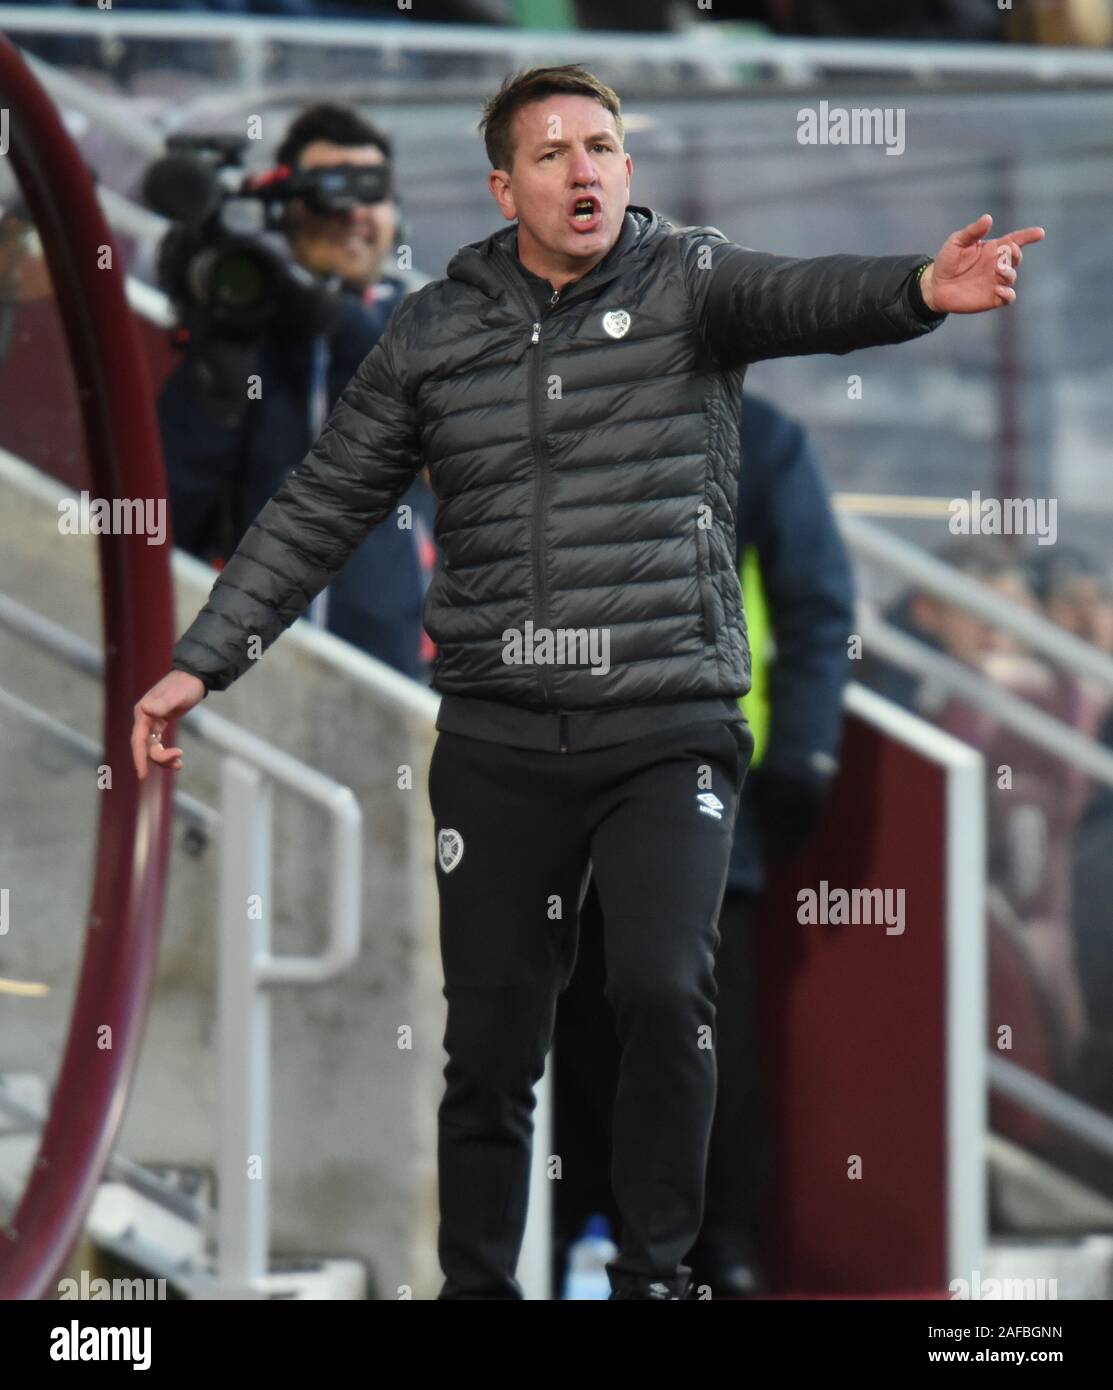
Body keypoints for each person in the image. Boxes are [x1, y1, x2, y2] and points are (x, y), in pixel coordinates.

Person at [132, 64, 1043, 1300]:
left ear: (628, 169)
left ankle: (658, 1275)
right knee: (492, 1046)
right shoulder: (435, 332)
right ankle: (477, 1285)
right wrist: (204, 657)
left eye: (604, 146)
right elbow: (323, 503)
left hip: (668, 723)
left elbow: (802, 293)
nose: (585, 168)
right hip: (501, 738)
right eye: (554, 151)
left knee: (668, 987)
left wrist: (917, 292)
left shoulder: (693, 283)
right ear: (506, 186)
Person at [552, 392, 855, 1299]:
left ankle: (715, 1250)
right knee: (564, 1023)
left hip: (707, 782)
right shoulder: (542, 416)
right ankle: (574, 1233)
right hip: (554, 780)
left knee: (693, 1027)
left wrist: (800, 756)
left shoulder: (761, 435)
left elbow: (814, 606)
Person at [157, 103, 438, 682]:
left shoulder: (436, 323)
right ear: (284, 211)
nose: (353, 212)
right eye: (327, 191)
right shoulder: (252, 335)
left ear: (398, 217)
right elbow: (164, 516)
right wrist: (217, 376)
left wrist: (324, 317)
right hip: (250, 692)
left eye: (371, 191)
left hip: (397, 690)